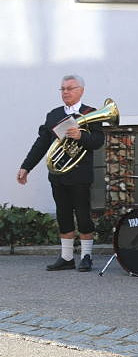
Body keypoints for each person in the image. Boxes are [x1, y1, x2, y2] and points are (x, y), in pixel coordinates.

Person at [17, 75, 105, 272]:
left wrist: (81, 136)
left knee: (83, 216)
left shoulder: (91, 113)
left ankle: (86, 256)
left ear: (81, 90)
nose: (65, 92)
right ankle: (66, 257)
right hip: (58, 175)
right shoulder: (54, 114)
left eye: (70, 88)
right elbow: (41, 144)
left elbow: (98, 141)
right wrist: (26, 167)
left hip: (80, 176)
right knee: (63, 215)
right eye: (63, 89)